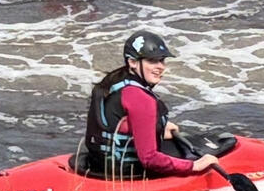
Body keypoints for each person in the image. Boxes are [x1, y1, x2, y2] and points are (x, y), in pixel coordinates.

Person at [77, 31, 222, 180]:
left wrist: (157, 128)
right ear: (132, 62)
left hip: (97, 164)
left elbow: (118, 122)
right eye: (152, 61)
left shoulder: (113, 82)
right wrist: (194, 166)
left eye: (162, 60)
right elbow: (149, 159)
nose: (161, 67)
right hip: (127, 172)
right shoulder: (141, 98)